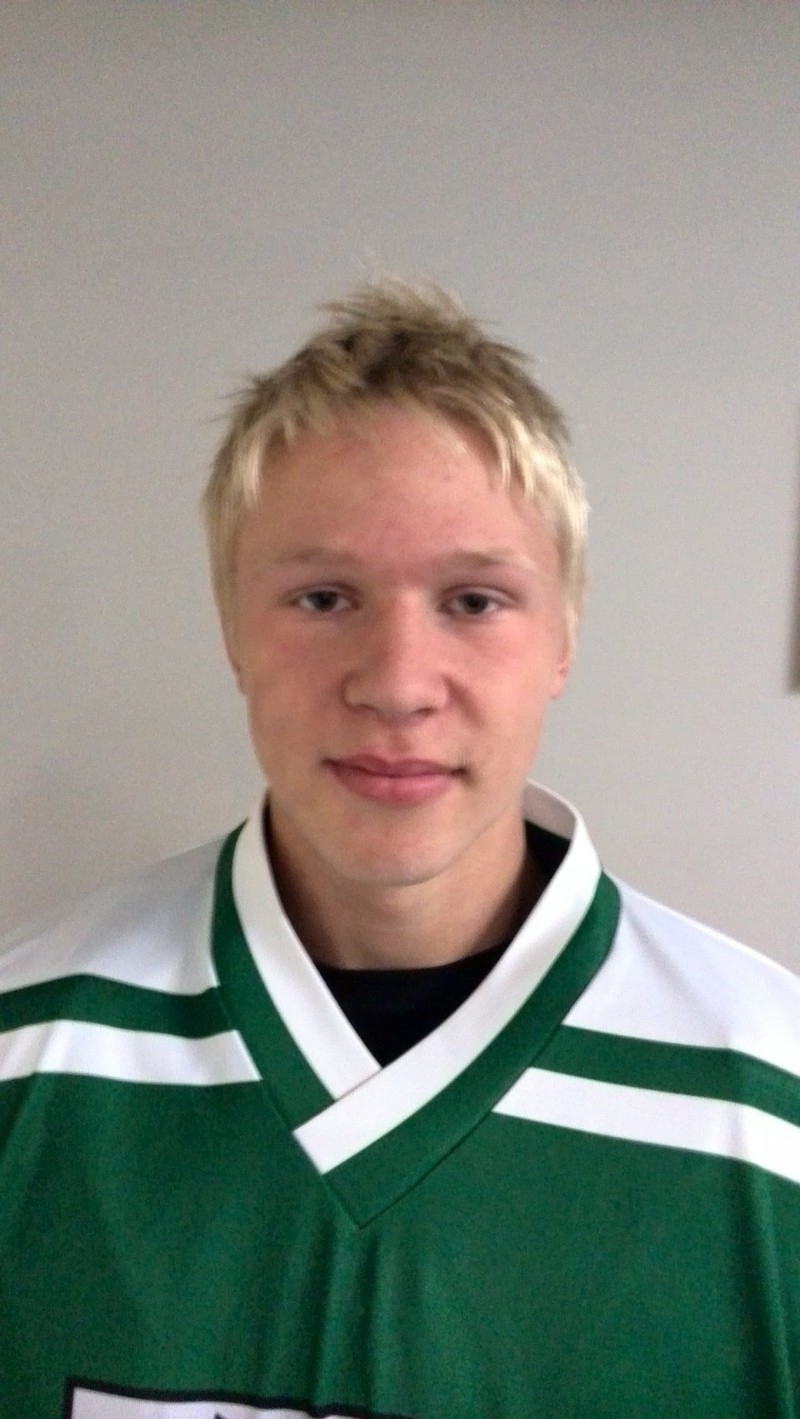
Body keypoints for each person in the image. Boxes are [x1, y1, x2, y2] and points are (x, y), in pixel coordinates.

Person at [1, 279, 798, 1419]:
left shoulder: (768, 1108)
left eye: (473, 601)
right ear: (231, 627)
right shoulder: (25, 1054)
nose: (396, 684)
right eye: (324, 597)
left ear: (564, 634)